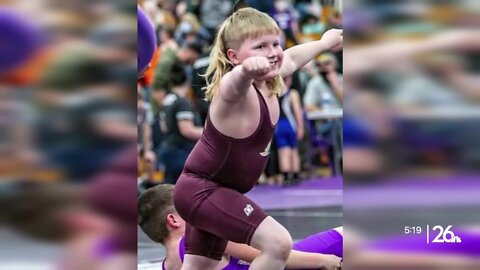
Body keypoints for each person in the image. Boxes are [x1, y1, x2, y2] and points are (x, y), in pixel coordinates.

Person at [172, 7, 342, 270]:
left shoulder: (270, 78)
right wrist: (245, 71)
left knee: (200, 266)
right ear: (234, 56)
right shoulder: (233, 93)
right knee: (277, 244)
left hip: (212, 193)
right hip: (202, 191)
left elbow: (293, 57)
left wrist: (324, 42)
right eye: (260, 46)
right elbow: (232, 83)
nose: (272, 52)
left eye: (275, 43)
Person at [138, 184, 343, 270]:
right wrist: (325, 260)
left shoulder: (169, 265)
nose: (197, 210)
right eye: (189, 207)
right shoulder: (198, 239)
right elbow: (274, 254)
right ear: (173, 220)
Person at [158, 63, 203, 184]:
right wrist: (209, 133)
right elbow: (187, 130)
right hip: (181, 151)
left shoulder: (167, 100)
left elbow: (164, 127)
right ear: (188, 82)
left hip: (168, 148)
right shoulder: (182, 102)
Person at [275, 76, 304, 185]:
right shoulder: (292, 94)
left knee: (283, 150)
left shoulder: (274, 93)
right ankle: (295, 175)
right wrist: (300, 127)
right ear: (289, 80)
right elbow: (297, 111)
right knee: (293, 150)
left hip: (279, 125)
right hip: (290, 124)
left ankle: (286, 176)